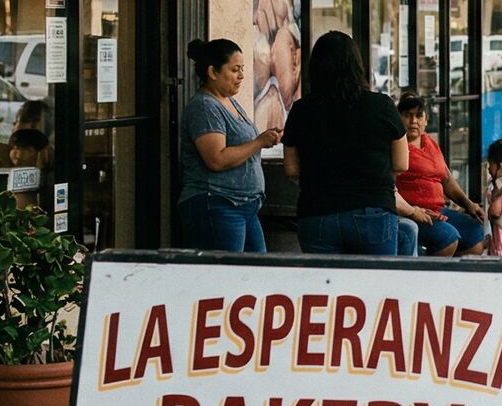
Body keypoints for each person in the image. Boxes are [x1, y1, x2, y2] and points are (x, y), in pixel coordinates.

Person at [282, 32, 414, 256]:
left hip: (316, 213)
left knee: (324, 288)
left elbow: (291, 168)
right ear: (357, 65)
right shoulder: (382, 105)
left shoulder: (302, 109)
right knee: (373, 287)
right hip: (373, 211)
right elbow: (401, 163)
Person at [177, 37, 281, 252]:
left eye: (242, 69)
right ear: (213, 72)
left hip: (244, 205)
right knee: (229, 276)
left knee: (256, 274)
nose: (241, 76)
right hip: (218, 204)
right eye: (235, 70)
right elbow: (216, 159)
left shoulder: (228, 100)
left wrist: (264, 139)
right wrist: (259, 142)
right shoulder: (205, 107)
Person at [396, 93, 489, 257]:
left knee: (474, 234)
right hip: (414, 213)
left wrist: (468, 204)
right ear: (398, 118)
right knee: (448, 238)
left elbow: (446, 177)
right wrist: (412, 210)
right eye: (407, 116)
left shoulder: (430, 142)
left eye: (419, 116)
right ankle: (430, 277)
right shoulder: (396, 146)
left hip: (439, 210)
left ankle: (453, 277)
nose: (413, 121)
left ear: (426, 120)